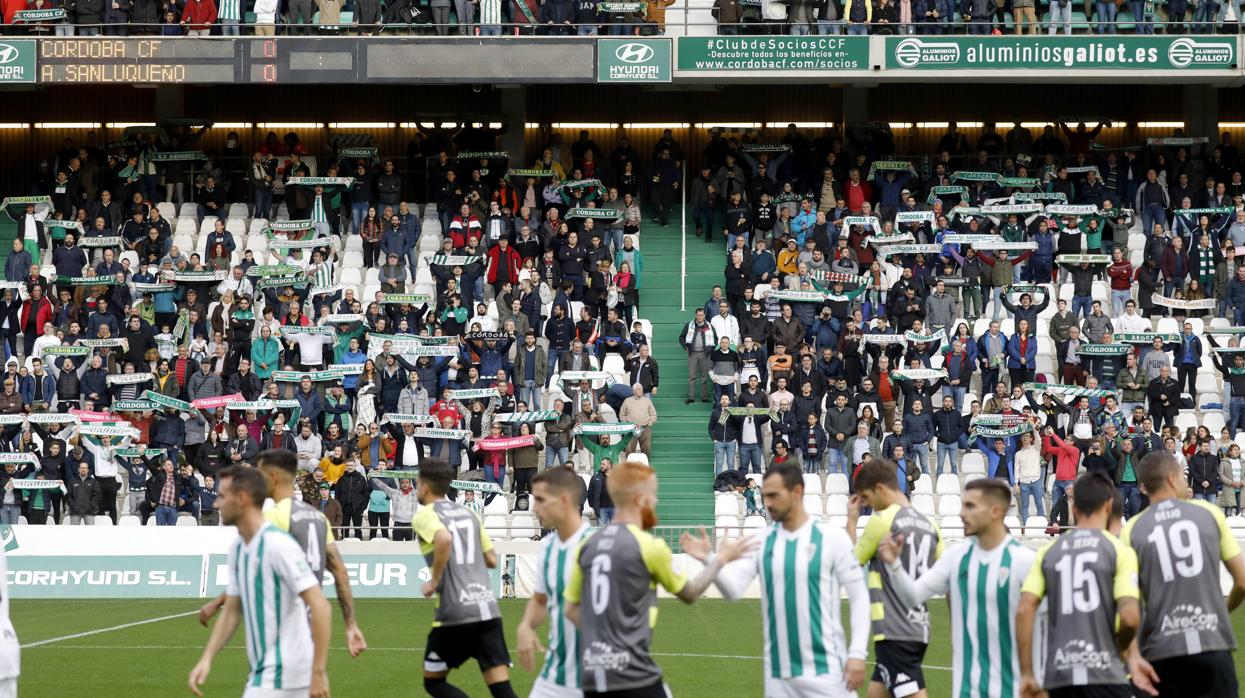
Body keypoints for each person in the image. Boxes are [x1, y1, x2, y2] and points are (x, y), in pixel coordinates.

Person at [564, 456, 750, 697]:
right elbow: (691, 593)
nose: (657, 500)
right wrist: (719, 561)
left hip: (592, 671)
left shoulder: (588, 545)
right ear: (639, 499)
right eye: (653, 494)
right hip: (632, 670)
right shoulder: (648, 546)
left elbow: (570, 609)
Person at [691, 461, 869, 697]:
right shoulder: (762, 541)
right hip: (778, 676)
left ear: (797, 492)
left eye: (774, 495)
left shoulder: (831, 538)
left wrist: (857, 654)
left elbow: (859, 597)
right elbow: (733, 590)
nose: (768, 503)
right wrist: (712, 560)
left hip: (827, 672)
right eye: (766, 496)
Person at [876, 477, 1039, 698]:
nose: (962, 513)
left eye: (970, 506)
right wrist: (894, 564)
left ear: (996, 511)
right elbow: (913, 597)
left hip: (1012, 691)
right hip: (966, 691)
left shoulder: (1024, 561)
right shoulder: (956, 557)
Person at [198, 449, 368, 658]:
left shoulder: (271, 518)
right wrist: (350, 624)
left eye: (260, 474)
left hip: (282, 630)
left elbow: (250, 570)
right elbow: (339, 572)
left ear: (273, 477)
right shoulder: (317, 517)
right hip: (310, 628)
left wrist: (217, 603)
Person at [188, 466, 332, 698]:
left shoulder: (278, 545)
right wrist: (207, 658)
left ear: (243, 498)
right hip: (267, 669)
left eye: (222, 496)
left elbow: (321, 606)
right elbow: (233, 610)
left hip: (284, 671)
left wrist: (318, 671)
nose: (216, 504)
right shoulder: (238, 547)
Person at [1120, 452, 1245, 698]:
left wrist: (1132, 656)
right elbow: (1242, 581)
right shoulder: (1209, 513)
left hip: (1161, 651)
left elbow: (1128, 610)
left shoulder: (1133, 528)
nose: (1186, 482)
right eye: (1182, 476)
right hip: (1212, 644)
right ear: (1171, 478)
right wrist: (1221, 609)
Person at [1017, 471, 1141, 698]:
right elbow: (1130, 618)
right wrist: (1122, 650)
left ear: (1074, 509)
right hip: (1106, 672)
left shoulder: (1048, 553)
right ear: (1107, 507)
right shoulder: (1119, 551)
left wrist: (1027, 673)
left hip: (1060, 674)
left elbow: (1025, 609)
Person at [412, 458, 518, 698]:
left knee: (434, 681)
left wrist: (434, 579)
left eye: (418, 484)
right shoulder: (467, 514)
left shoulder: (424, 515)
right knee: (502, 688)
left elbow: (443, 539)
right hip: (487, 609)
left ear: (425, 486)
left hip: (455, 613)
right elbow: (491, 559)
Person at [848, 458, 943, 698]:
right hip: (919, 626)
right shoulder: (930, 524)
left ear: (880, 489)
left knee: (911, 693)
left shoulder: (883, 521)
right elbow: (942, 574)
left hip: (894, 628)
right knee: (876, 693)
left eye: (868, 498)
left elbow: (849, 565)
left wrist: (851, 521)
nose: (868, 504)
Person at [515, 466, 593, 698]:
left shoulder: (598, 548)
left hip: (597, 679)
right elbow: (541, 599)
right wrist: (526, 626)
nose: (534, 508)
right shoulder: (548, 547)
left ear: (564, 500)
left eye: (540, 499)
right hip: (553, 678)